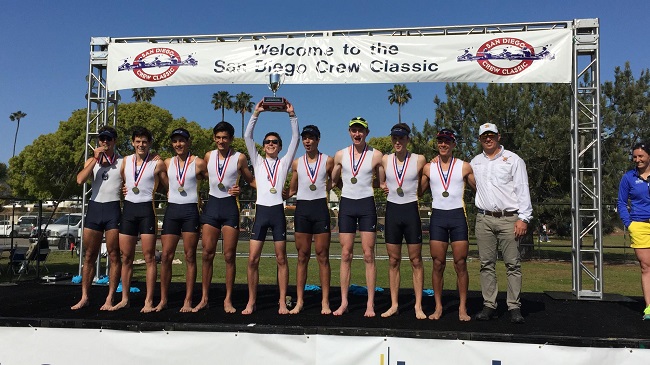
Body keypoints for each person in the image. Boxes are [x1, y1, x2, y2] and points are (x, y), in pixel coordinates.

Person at [471, 123, 532, 324]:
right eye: (483, 136)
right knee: (486, 264)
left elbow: (522, 189)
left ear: (499, 137)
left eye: (491, 135)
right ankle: (489, 305)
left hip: (509, 218)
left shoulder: (513, 160)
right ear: (479, 139)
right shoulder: (475, 162)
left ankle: (514, 306)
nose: (488, 139)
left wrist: (524, 218)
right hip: (484, 218)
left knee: (512, 264)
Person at [242, 99, 299, 315]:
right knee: (252, 259)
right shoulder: (257, 161)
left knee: (281, 259)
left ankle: (282, 302)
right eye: (267, 141)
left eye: (275, 141)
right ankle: (251, 301)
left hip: (277, 213)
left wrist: (291, 115)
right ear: (263, 145)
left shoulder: (284, 163)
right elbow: (247, 137)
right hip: (261, 212)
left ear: (280, 146)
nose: (271, 144)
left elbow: (296, 138)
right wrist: (256, 113)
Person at [194, 121, 254, 313]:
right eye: (218, 137)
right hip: (212, 206)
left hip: (230, 208)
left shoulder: (239, 157)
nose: (221, 141)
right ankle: (204, 298)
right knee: (206, 254)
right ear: (214, 138)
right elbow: (198, 177)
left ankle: (228, 300)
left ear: (231, 139)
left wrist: (244, 188)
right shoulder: (208, 156)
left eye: (225, 138)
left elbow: (250, 179)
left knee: (229, 256)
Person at [331, 116, 385, 317]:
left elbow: (382, 181)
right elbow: (333, 180)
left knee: (368, 254)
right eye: (354, 130)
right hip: (347, 204)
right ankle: (344, 302)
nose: (357, 133)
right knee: (345, 254)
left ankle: (370, 304)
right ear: (349, 132)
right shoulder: (340, 155)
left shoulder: (376, 155)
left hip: (366, 204)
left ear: (366, 133)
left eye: (360, 130)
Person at [421, 129, 475, 321]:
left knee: (460, 264)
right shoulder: (428, 167)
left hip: (458, 217)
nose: (443, 144)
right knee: (438, 263)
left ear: (453, 144)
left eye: (447, 141)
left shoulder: (464, 167)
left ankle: (462, 308)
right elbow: (416, 191)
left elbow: (481, 189)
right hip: (438, 218)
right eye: (440, 141)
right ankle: (438, 307)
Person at [111, 126, 167, 312]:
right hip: (128, 211)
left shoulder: (157, 163)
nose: (141, 144)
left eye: (144, 141)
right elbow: (120, 181)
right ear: (133, 142)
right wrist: (123, 189)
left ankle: (149, 301)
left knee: (149, 257)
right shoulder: (125, 161)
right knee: (126, 257)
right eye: (138, 141)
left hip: (147, 211)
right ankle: (124, 298)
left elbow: (167, 186)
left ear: (149, 143)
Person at [155, 128, 207, 312]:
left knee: (189, 256)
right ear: (172, 144)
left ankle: (188, 300)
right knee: (166, 256)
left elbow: (217, 178)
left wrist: (232, 189)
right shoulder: (167, 162)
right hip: (172, 210)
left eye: (182, 141)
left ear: (188, 142)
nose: (178, 144)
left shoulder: (199, 162)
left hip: (190, 211)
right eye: (175, 141)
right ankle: (163, 300)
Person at [71, 126, 123, 310]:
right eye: (102, 140)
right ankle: (84, 296)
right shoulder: (92, 161)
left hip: (112, 209)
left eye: (109, 140)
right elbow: (80, 180)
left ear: (114, 141)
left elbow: (132, 181)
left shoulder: (122, 162)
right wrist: (94, 160)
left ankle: (110, 298)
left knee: (114, 255)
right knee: (89, 255)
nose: (105, 143)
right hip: (94, 208)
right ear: (98, 142)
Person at [379, 123, 426, 319]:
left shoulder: (419, 159)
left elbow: (427, 179)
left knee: (416, 260)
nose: (398, 142)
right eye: (395, 138)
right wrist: (382, 185)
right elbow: (381, 181)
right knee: (393, 261)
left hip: (411, 210)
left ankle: (418, 306)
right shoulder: (385, 159)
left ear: (408, 139)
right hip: (392, 211)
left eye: (401, 138)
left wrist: (419, 192)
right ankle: (394, 304)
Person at [287, 125, 334, 314]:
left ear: (318, 140)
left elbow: (335, 180)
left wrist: (326, 188)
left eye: (311, 138)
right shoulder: (297, 163)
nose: (307, 141)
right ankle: (299, 301)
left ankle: (325, 302)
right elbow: (292, 189)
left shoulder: (328, 161)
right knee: (302, 256)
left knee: (323, 256)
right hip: (303, 210)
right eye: (305, 138)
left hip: (320, 209)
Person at [617, 142, 650, 320]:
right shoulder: (628, 177)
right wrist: (629, 224)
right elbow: (621, 202)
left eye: (641, 156)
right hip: (639, 225)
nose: (637, 160)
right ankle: (649, 307)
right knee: (646, 267)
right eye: (635, 156)